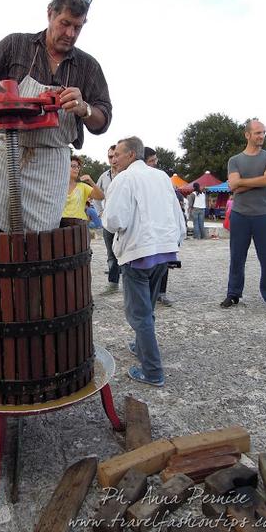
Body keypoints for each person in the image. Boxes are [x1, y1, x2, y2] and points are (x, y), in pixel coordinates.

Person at [0, 0, 112, 233]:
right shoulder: (16, 46)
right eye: (65, 23)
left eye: (78, 26)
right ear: (50, 14)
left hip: (51, 162)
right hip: (7, 155)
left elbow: (103, 119)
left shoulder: (88, 66)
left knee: (38, 243)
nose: (70, 32)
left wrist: (84, 108)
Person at [103, 137, 186, 387]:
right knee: (147, 307)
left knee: (139, 315)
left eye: (117, 154)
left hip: (138, 253)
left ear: (131, 155)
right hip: (164, 250)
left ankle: (152, 372)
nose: (114, 159)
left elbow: (114, 220)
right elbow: (176, 212)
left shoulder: (124, 179)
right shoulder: (161, 176)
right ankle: (141, 345)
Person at [220, 120, 266, 314]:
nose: (261, 136)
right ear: (247, 135)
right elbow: (232, 186)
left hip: (264, 215)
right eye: (257, 133)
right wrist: (259, 181)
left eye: (263, 132)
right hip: (240, 215)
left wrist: (241, 184)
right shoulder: (234, 160)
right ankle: (233, 293)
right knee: (237, 258)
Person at [144, 147, 172, 306]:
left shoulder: (162, 177)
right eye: (151, 160)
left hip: (161, 225)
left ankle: (161, 292)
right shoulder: (136, 178)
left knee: (163, 260)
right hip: (147, 227)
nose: (155, 163)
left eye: (156, 160)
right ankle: (147, 292)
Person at [95, 145, 120, 287]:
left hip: (125, 221)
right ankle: (113, 282)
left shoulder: (128, 174)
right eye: (110, 156)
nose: (113, 159)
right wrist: (100, 212)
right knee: (111, 252)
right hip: (108, 221)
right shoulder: (104, 177)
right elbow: (96, 196)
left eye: (116, 156)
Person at [61, 155, 104, 224]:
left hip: (79, 226)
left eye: (78, 167)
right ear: (64, 166)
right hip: (61, 225)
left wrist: (91, 181)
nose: (77, 169)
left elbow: (101, 196)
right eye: (73, 166)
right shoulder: (58, 187)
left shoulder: (83, 187)